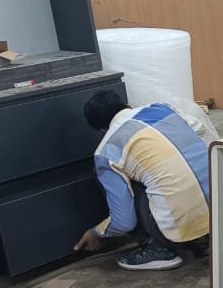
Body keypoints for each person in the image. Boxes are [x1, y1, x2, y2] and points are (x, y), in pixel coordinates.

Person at [74, 90, 211, 272]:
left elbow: (124, 221)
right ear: (128, 106)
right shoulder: (162, 109)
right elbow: (200, 130)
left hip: (179, 228)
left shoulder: (105, 152)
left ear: (102, 130)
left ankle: (159, 248)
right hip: (220, 210)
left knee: (124, 179)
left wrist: (97, 232)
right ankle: (203, 237)